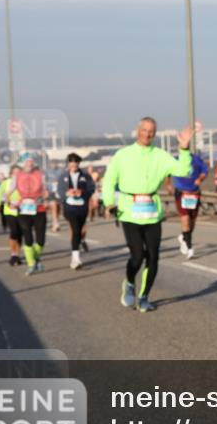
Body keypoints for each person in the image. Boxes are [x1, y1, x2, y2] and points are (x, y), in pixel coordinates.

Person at [103, 117, 192, 313]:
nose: (147, 134)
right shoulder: (123, 155)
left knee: (153, 257)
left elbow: (184, 170)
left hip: (152, 212)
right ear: (138, 130)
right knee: (137, 256)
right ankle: (129, 282)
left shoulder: (160, 155)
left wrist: (184, 149)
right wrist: (109, 202)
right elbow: (109, 180)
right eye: (144, 130)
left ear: (155, 133)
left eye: (151, 131)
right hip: (129, 211)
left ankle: (143, 297)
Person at [7, 154, 48, 275]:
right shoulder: (17, 176)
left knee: (41, 240)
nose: (29, 164)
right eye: (27, 162)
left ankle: (35, 257)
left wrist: (46, 196)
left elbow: (46, 189)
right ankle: (31, 264)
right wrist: (9, 202)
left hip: (39, 208)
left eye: (31, 162)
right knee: (28, 237)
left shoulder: (41, 174)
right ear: (22, 164)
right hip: (23, 209)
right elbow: (9, 192)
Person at [58, 153, 96, 270]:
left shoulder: (85, 176)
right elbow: (60, 191)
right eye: (71, 162)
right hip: (69, 207)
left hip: (82, 207)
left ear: (78, 164)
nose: (73, 165)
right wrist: (66, 193)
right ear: (68, 164)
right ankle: (76, 259)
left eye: (75, 163)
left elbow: (91, 188)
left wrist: (82, 193)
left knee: (79, 231)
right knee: (75, 230)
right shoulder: (63, 176)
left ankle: (75, 255)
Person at [171, 151, 208, 259]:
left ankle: (184, 237)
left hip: (194, 194)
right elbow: (167, 172)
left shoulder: (196, 159)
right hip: (181, 193)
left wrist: (200, 178)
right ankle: (190, 248)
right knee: (185, 219)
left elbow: (205, 170)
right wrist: (168, 185)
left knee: (192, 222)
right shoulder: (176, 160)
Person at [0, 165, 23, 266]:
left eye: (19, 173)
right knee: (14, 232)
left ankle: (17, 255)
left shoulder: (24, 182)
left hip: (22, 210)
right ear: (11, 174)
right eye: (15, 173)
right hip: (9, 210)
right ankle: (13, 254)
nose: (16, 175)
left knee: (20, 233)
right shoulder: (6, 183)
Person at [46, 161, 62, 232]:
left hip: (59, 191)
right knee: (54, 206)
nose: (54, 165)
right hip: (50, 191)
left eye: (55, 163)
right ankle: (55, 223)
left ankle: (56, 220)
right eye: (52, 163)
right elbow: (44, 181)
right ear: (50, 164)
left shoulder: (61, 171)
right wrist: (46, 189)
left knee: (58, 207)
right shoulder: (47, 171)